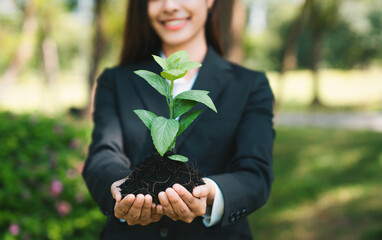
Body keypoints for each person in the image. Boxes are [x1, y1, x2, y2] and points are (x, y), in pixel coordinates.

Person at [82, 0, 275, 239]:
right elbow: (103, 155)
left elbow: (255, 172)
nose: (170, 5)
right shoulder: (117, 80)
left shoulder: (249, 85)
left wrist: (210, 192)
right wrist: (121, 191)